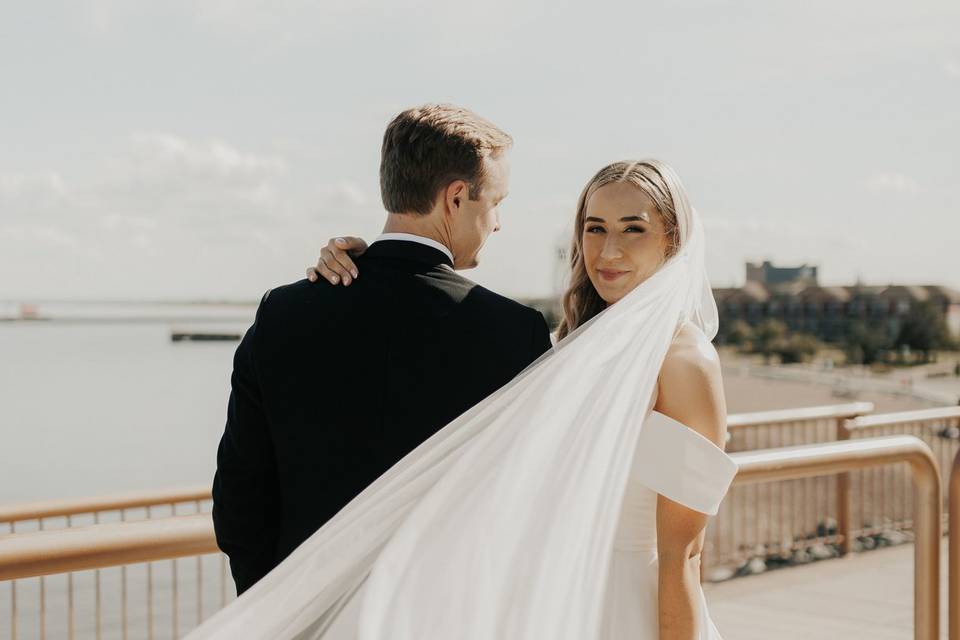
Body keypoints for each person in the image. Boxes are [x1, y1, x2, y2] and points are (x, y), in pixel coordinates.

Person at [194, 155, 736, 639]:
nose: (608, 250)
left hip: (627, 611)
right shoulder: (572, 345)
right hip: (548, 604)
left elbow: (682, 559)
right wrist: (357, 263)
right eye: (595, 228)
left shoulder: (685, 361)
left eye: (632, 230)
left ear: (672, 239)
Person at [211, 103, 552, 595]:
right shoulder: (513, 333)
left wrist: (278, 611)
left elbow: (239, 501)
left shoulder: (283, 311)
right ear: (456, 198)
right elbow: (524, 504)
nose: (498, 223)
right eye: (495, 202)